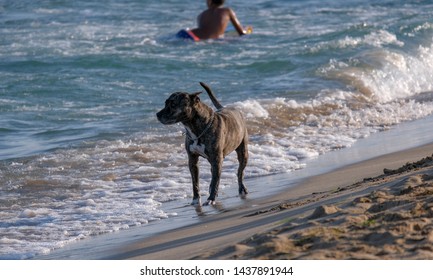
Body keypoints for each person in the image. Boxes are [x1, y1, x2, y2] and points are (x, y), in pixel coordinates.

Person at [177, 0, 251, 41]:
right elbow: (241, 32)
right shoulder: (228, 11)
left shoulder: (201, 15)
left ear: (210, 1)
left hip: (193, 38)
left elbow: (205, 30)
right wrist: (247, 30)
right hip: (215, 41)